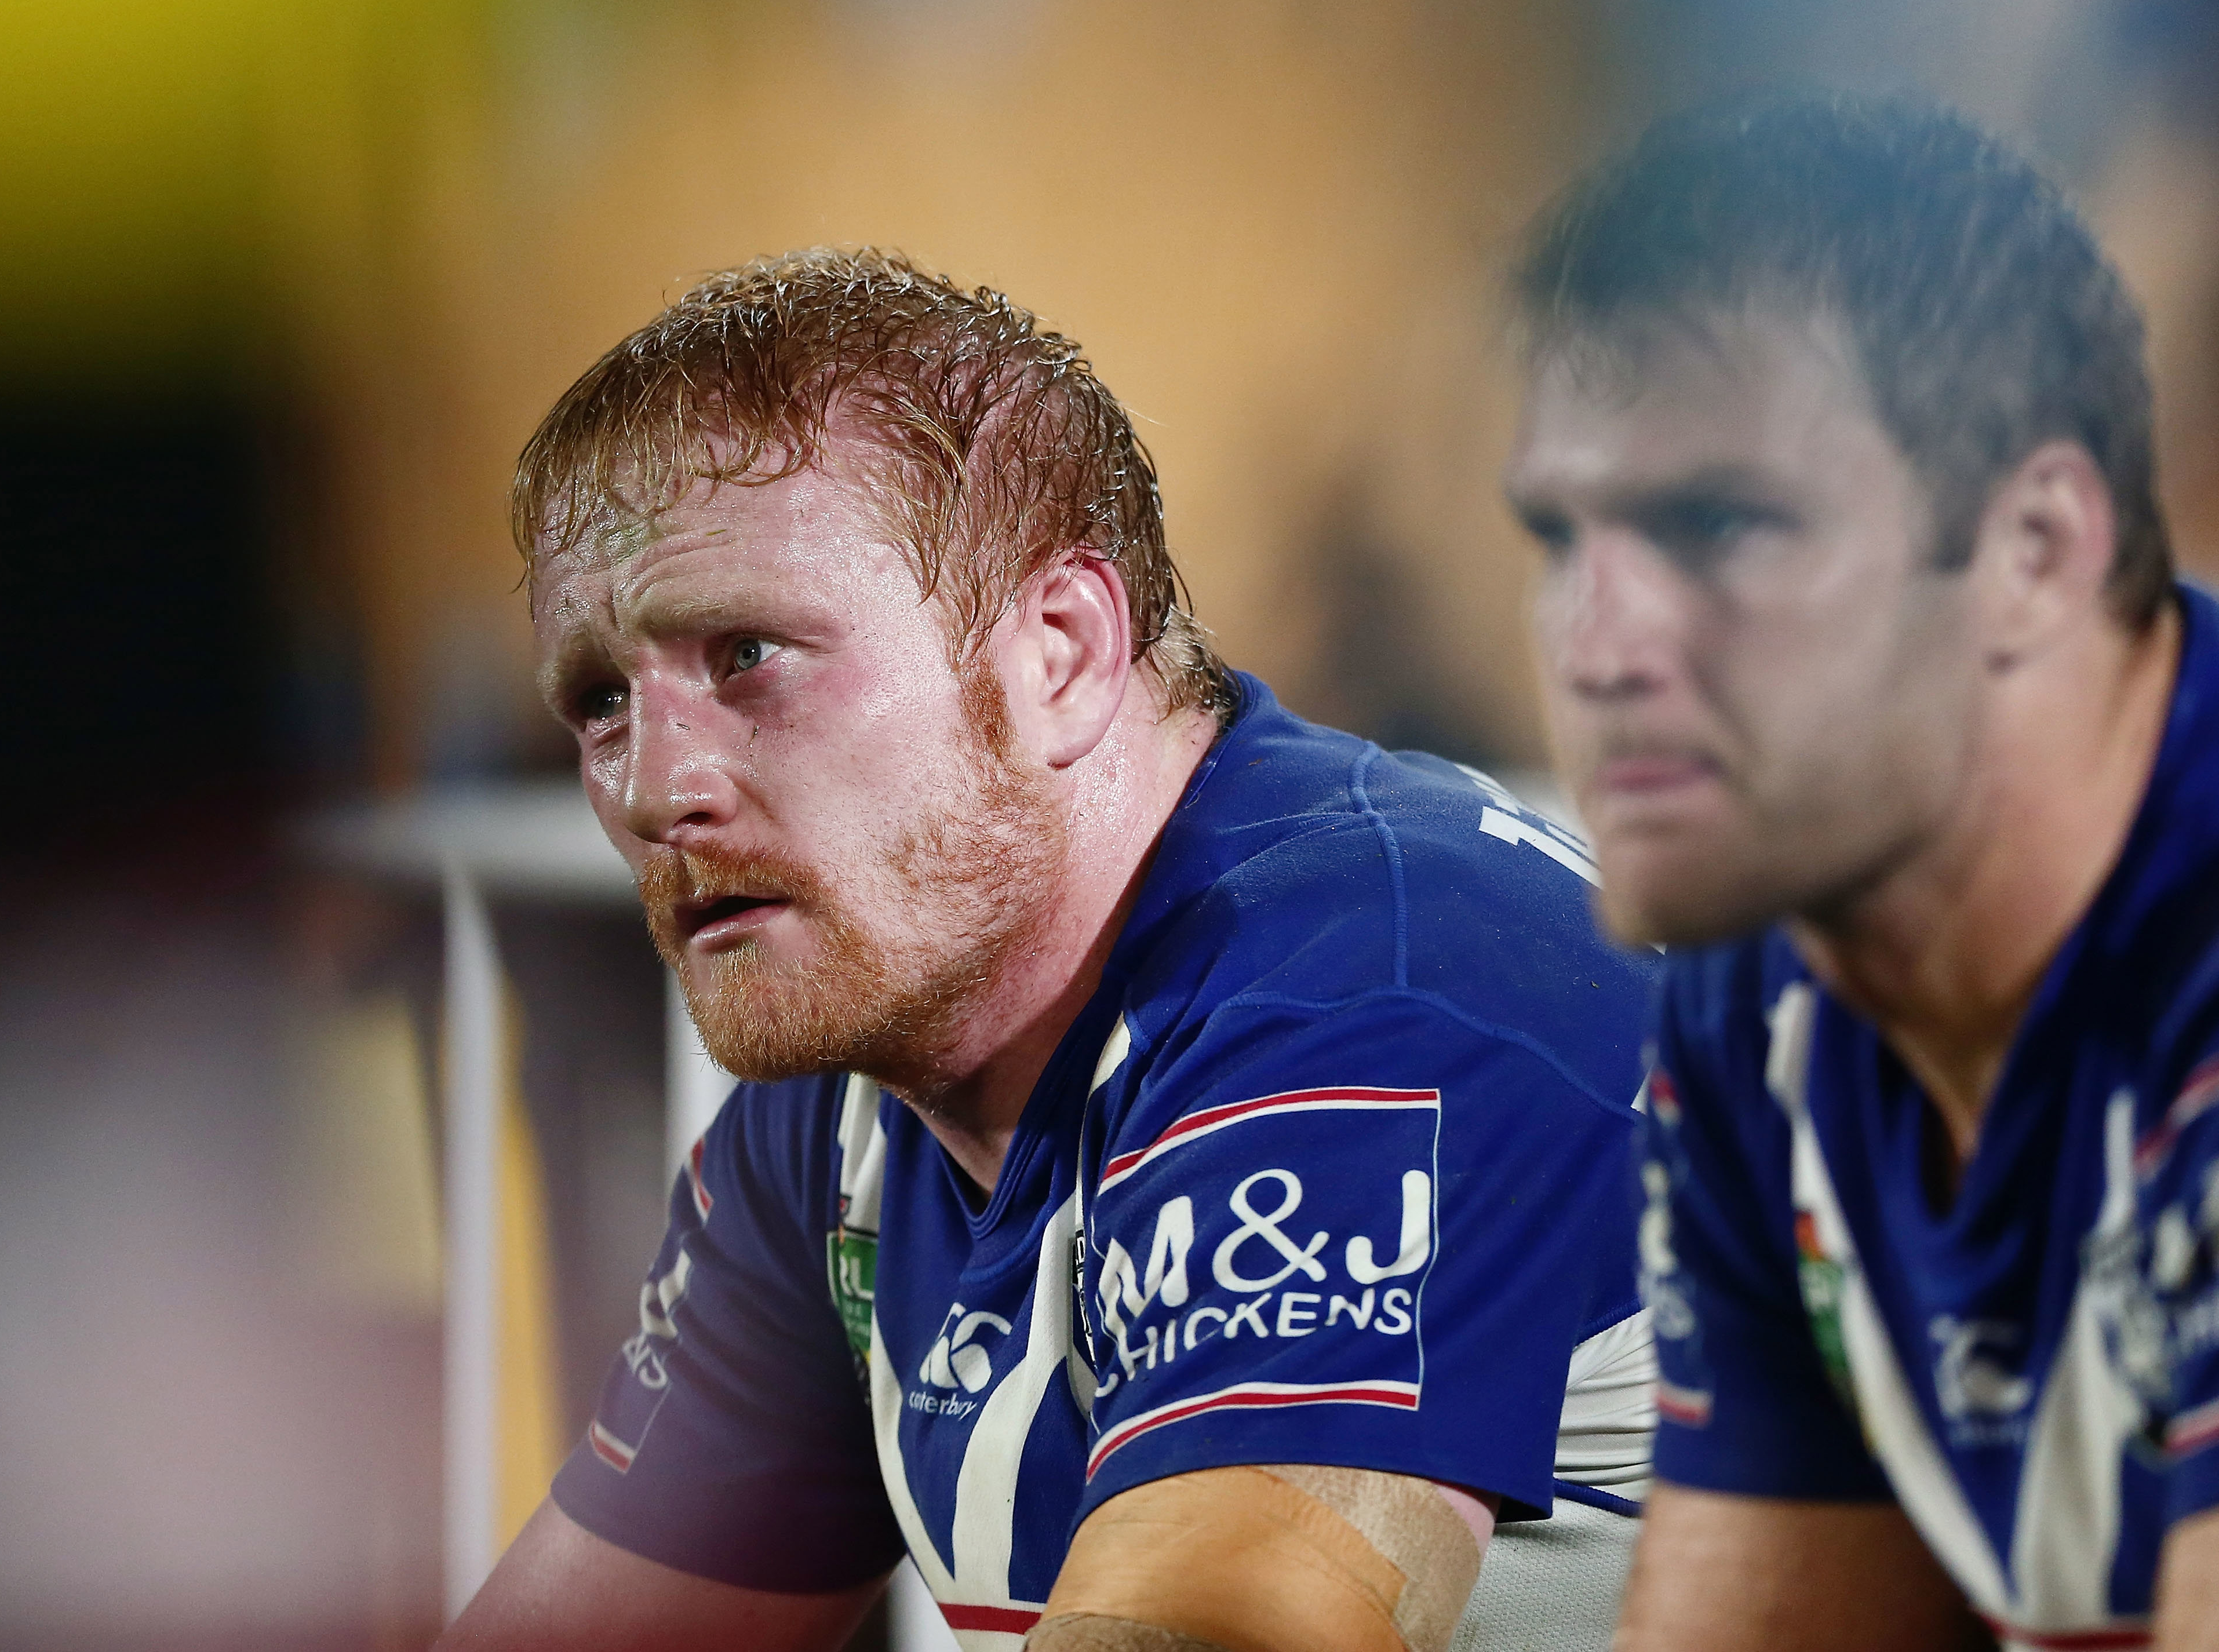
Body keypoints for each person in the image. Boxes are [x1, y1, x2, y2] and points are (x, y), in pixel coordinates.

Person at [453, 247, 1655, 1652]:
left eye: (747, 654)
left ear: (1061, 652)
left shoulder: (1375, 987)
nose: (658, 787)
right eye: (600, 698)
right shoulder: (841, 1109)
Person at [1503, 91, 2219, 1650]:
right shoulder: (1767, 976)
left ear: (2034, 549)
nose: (1597, 646)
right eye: (1562, 536)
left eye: (1722, 525)